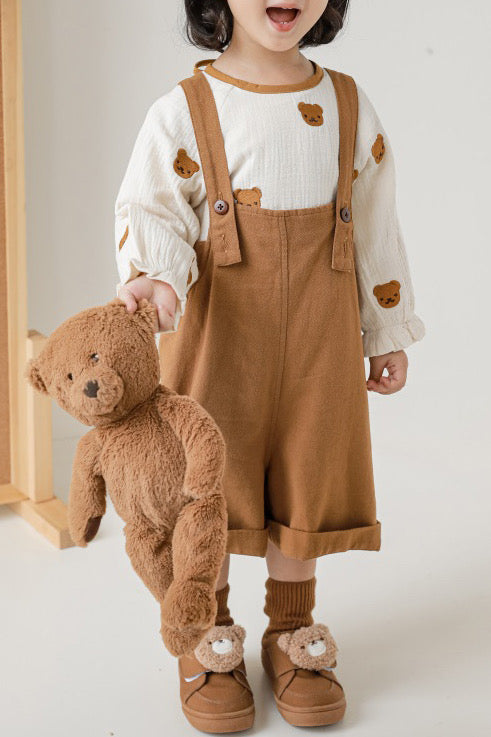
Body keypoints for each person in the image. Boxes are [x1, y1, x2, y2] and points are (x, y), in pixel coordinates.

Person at [115, 0, 425, 731]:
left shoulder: (348, 104)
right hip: (216, 334)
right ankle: (209, 628)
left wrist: (385, 328)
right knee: (209, 481)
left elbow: (375, 220)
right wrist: (157, 279)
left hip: (322, 339)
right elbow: (151, 208)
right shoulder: (184, 109)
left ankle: (291, 628)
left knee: (306, 471)